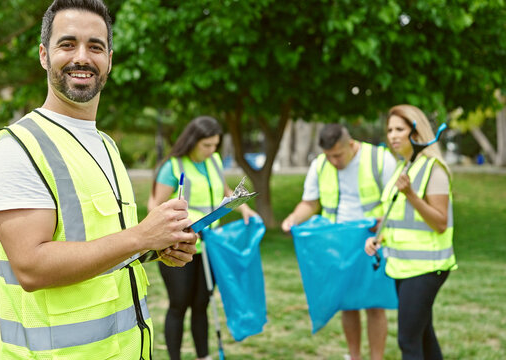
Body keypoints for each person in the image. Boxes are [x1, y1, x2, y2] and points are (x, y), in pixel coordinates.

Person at [0, 1, 198, 359]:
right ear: (44, 55)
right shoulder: (17, 148)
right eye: (67, 44)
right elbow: (31, 267)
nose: (82, 57)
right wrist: (140, 236)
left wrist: (155, 247)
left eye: (95, 47)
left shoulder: (107, 146)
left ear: (109, 59)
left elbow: (106, 247)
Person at [281, 123, 396, 360]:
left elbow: (397, 202)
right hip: (338, 244)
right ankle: (354, 357)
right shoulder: (320, 165)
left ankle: (377, 358)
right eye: (329, 156)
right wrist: (293, 219)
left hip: (372, 241)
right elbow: (310, 203)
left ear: (351, 144)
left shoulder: (379, 159)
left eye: (338, 155)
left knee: (375, 304)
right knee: (348, 303)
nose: (334, 161)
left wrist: (381, 221)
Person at [147, 116, 257, 360]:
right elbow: (154, 206)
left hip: (209, 246)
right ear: (193, 141)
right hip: (177, 247)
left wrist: (243, 207)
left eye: (215, 145)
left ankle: (203, 356)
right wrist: (174, 231)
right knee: (179, 303)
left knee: (201, 303)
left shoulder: (214, 161)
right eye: (206, 145)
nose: (211, 150)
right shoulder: (173, 167)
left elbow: (224, 190)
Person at [365, 105, 457, 360]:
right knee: (423, 334)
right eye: (390, 130)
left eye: (399, 129)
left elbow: (440, 222)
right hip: (403, 266)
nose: (393, 135)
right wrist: (377, 237)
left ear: (415, 133)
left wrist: (412, 196)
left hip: (427, 267)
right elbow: (395, 216)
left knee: (408, 339)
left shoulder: (434, 169)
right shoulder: (402, 168)